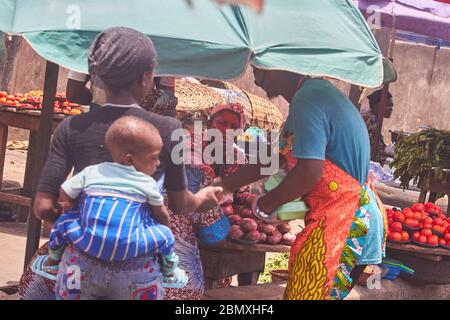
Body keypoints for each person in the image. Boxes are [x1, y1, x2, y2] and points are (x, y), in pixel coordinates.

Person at [20, 27, 222, 300]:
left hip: (78, 267)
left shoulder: (71, 128)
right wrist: (202, 199)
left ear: (95, 76)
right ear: (145, 77)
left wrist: (84, 225)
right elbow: (178, 205)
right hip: (139, 272)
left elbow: (43, 207)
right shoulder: (168, 129)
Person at [217, 68, 387, 300]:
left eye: (260, 70)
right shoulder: (311, 96)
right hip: (345, 218)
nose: (256, 79)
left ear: (279, 65)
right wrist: (223, 186)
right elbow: (278, 157)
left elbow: (309, 172)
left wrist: (265, 205)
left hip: (343, 222)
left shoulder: (308, 99)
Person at [32, 116, 188, 294]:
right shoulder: (147, 183)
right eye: (154, 158)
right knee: (166, 235)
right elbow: (161, 214)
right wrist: (163, 227)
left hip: (88, 242)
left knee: (63, 223)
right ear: (130, 160)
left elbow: (65, 191)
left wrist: (70, 206)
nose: (158, 163)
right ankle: (169, 271)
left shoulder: (92, 171)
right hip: (130, 247)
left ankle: (52, 262)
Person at [149, 102, 247, 300]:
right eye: (221, 122)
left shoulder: (238, 156)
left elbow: (240, 194)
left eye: (232, 126)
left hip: (198, 223)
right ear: (210, 123)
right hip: (181, 223)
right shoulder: (190, 144)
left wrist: (249, 203)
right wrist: (202, 173)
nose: (225, 129)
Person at [361, 89, 394, 165]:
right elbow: (376, 151)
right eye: (388, 105)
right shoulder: (368, 120)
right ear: (377, 105)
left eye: (392, 106)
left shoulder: (374, 118)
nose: (391, 109)